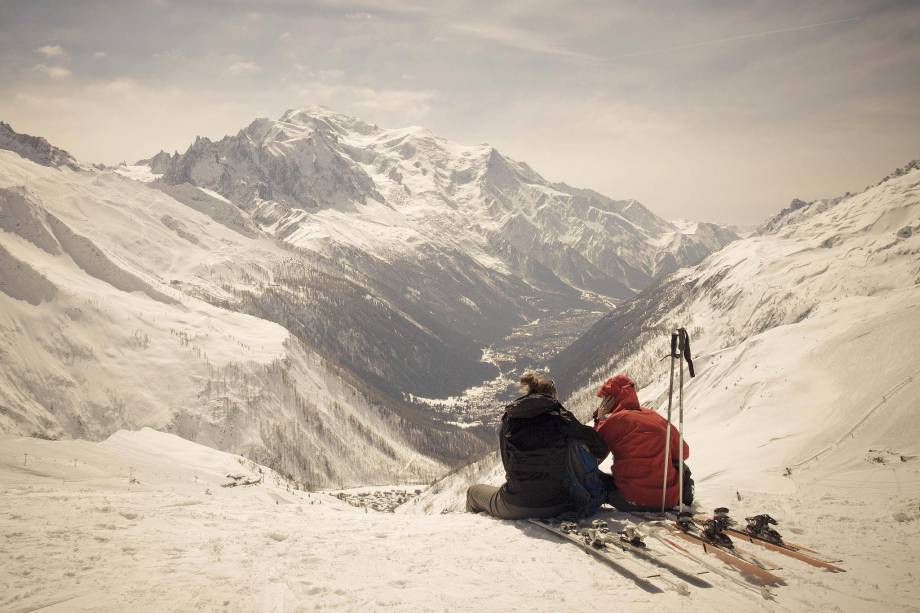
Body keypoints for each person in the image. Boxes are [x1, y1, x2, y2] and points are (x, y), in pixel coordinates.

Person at [466, 371, 609, 520]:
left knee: (473, 492)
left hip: (516, 504)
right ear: (552, 396)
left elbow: (508, 466)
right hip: (559, 502)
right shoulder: (561, 417)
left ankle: (466, 522)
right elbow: (599, 448)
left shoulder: (510, 419)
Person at [593, 374, 693, 511]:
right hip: (668, 499)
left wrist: (600, 420)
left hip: (629, 499)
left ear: (610, 400)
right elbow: (684, 452)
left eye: (605, 398)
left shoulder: (612, 422)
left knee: (593, 475)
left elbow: (592, 456)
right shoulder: (654, 416)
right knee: (680, 465)